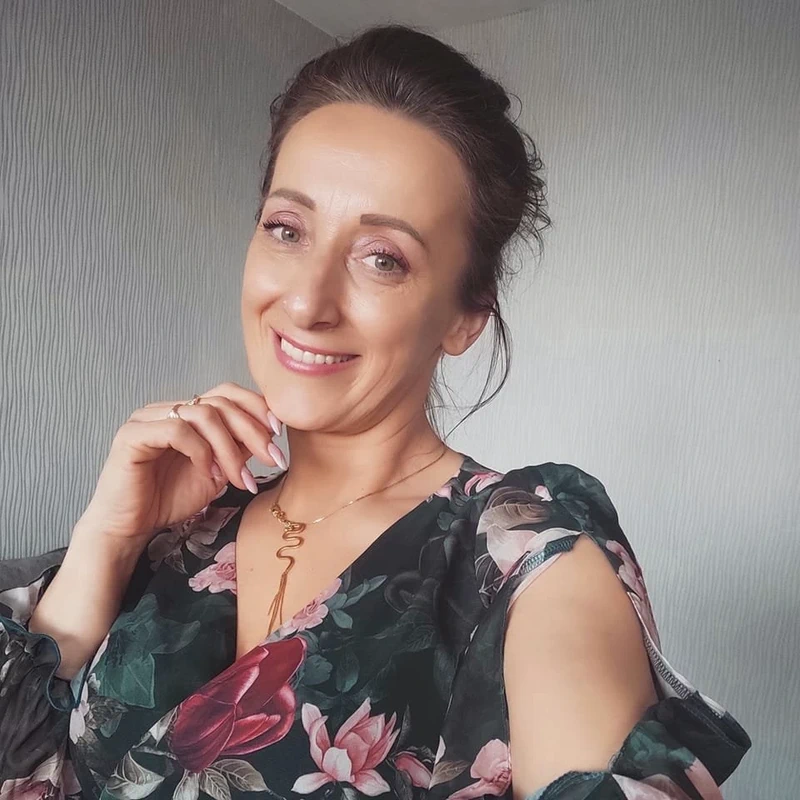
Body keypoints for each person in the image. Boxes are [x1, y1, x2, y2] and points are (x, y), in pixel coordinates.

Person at [0, 22, 750, 800]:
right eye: (287, 229)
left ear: (466, 316)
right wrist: (107, 541)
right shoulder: (177, 539)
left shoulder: (523, 561)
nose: (307, 301)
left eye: (383, 258)